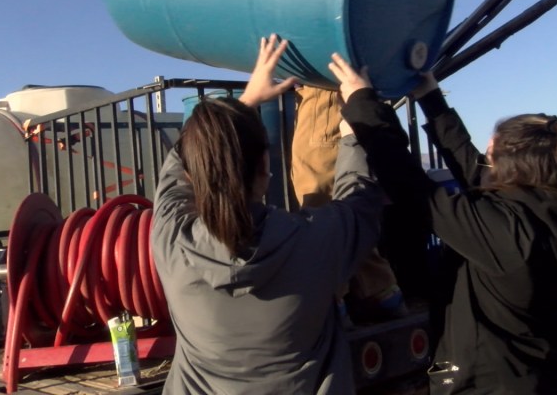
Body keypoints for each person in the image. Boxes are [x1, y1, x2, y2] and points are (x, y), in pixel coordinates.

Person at [182, 0, 408, 324]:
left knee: (320, 184)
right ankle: (362, 293)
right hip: (316, 69)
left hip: (332, 66)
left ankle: (362, 298)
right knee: (315, 181)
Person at [328, 54, 557, 395]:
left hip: (491, 385)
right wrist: (430, 98)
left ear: (510, 165)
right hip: (530, 376)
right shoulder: (553, 212)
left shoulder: (507, 232)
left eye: (491, 150)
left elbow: (412, 187)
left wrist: (362, 104)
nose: (486, 155)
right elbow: (475, 173)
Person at [151, 35, 388, 394]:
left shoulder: (171, 241)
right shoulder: (315, 241)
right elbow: (362, 200)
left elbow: (177, 166)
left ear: (195, 173)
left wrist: (246, 103)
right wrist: (353, 127)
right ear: (265, 165)